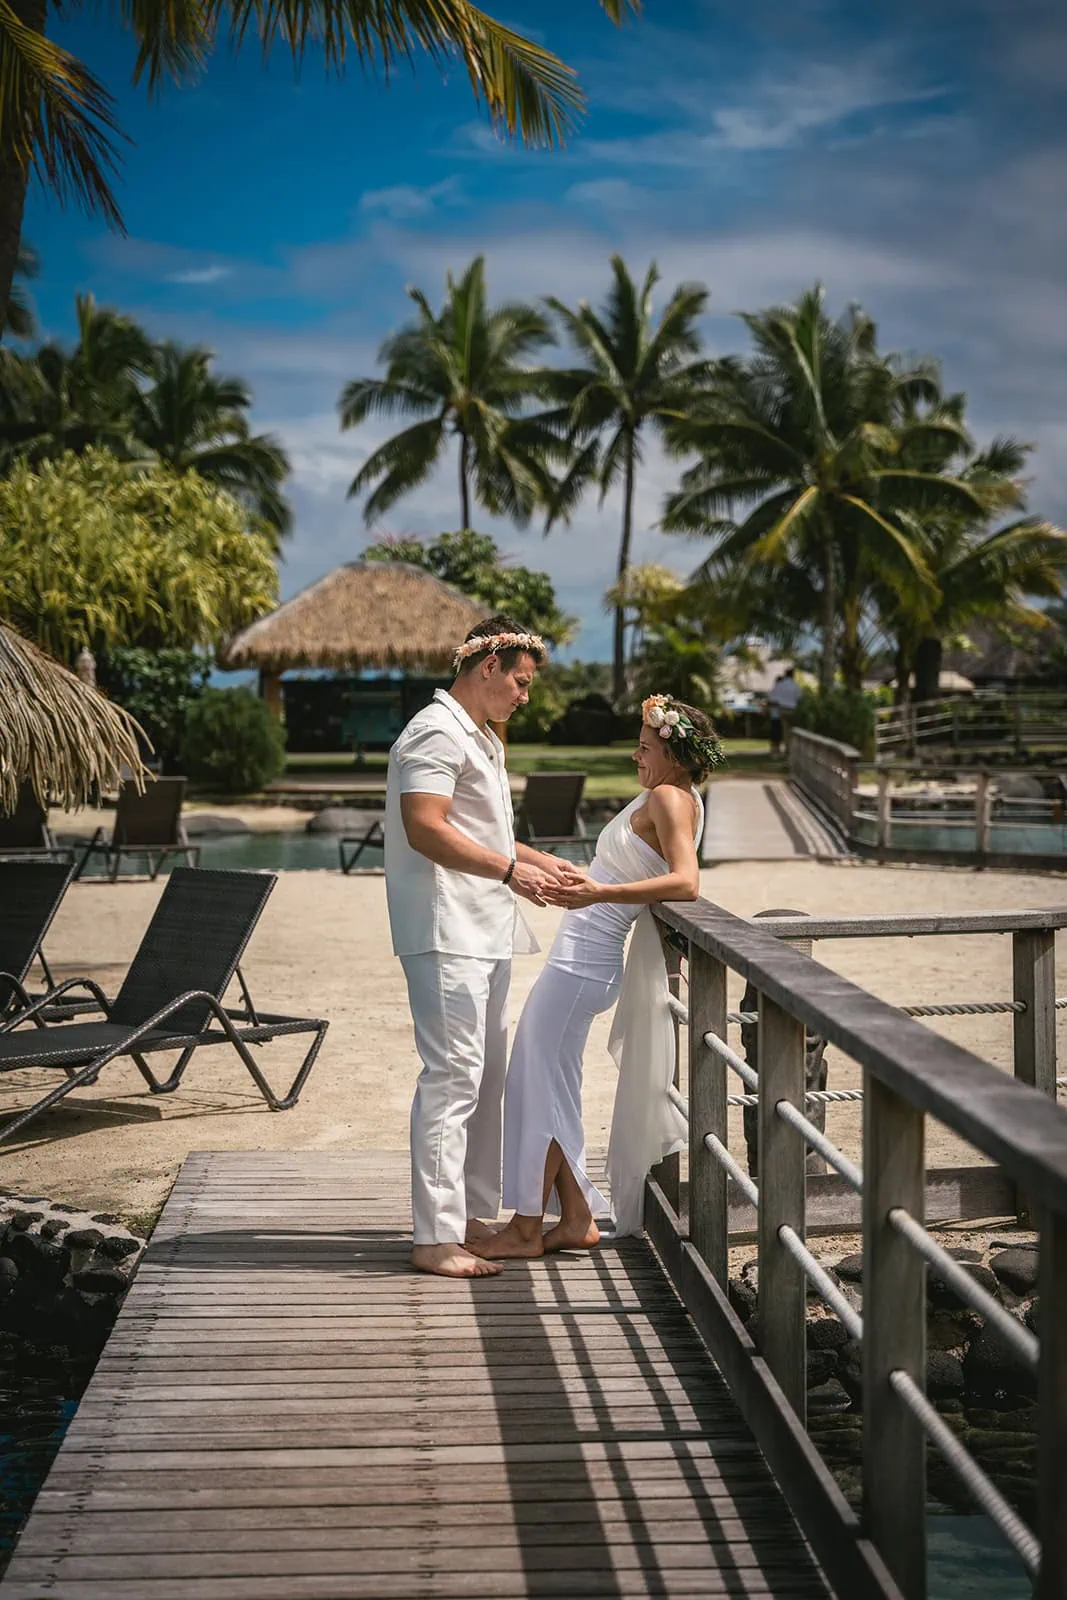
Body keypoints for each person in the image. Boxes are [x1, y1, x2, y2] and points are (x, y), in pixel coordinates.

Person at [468, 695, 724, 1261]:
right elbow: (632, 867)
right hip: (580, 958)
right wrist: (576, 874)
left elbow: (686, 882)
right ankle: (576, 1216)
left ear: (676, 755)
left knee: (535, 1083)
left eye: (646, 747)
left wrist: (599, 892)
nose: (636, 755)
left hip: (585, 964)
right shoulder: (671, 795)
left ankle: (528, 1226)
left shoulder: (668, 797)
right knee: (544, 1082)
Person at [385, 615, 581, 1279]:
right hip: (446, 932)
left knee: (484, 1079)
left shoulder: (480, 737)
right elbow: (424, 828)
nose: (525, 696)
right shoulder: (434, 732)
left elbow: (486, 833)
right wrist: (509, 871)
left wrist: (538, 861)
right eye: (520, 682)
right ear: (487, 666)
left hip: (483, 930)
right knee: (451, 1080)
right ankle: (433, 1238)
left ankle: (468, 1218)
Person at [767, 667, 800, 756]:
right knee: (791, 731)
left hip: (781, 709)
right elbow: (799, 698)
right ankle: (789, 750)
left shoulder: (780, 685)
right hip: (792, 710)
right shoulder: (795, 685)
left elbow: (772, 698)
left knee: (782, 730)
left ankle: (782, 750)